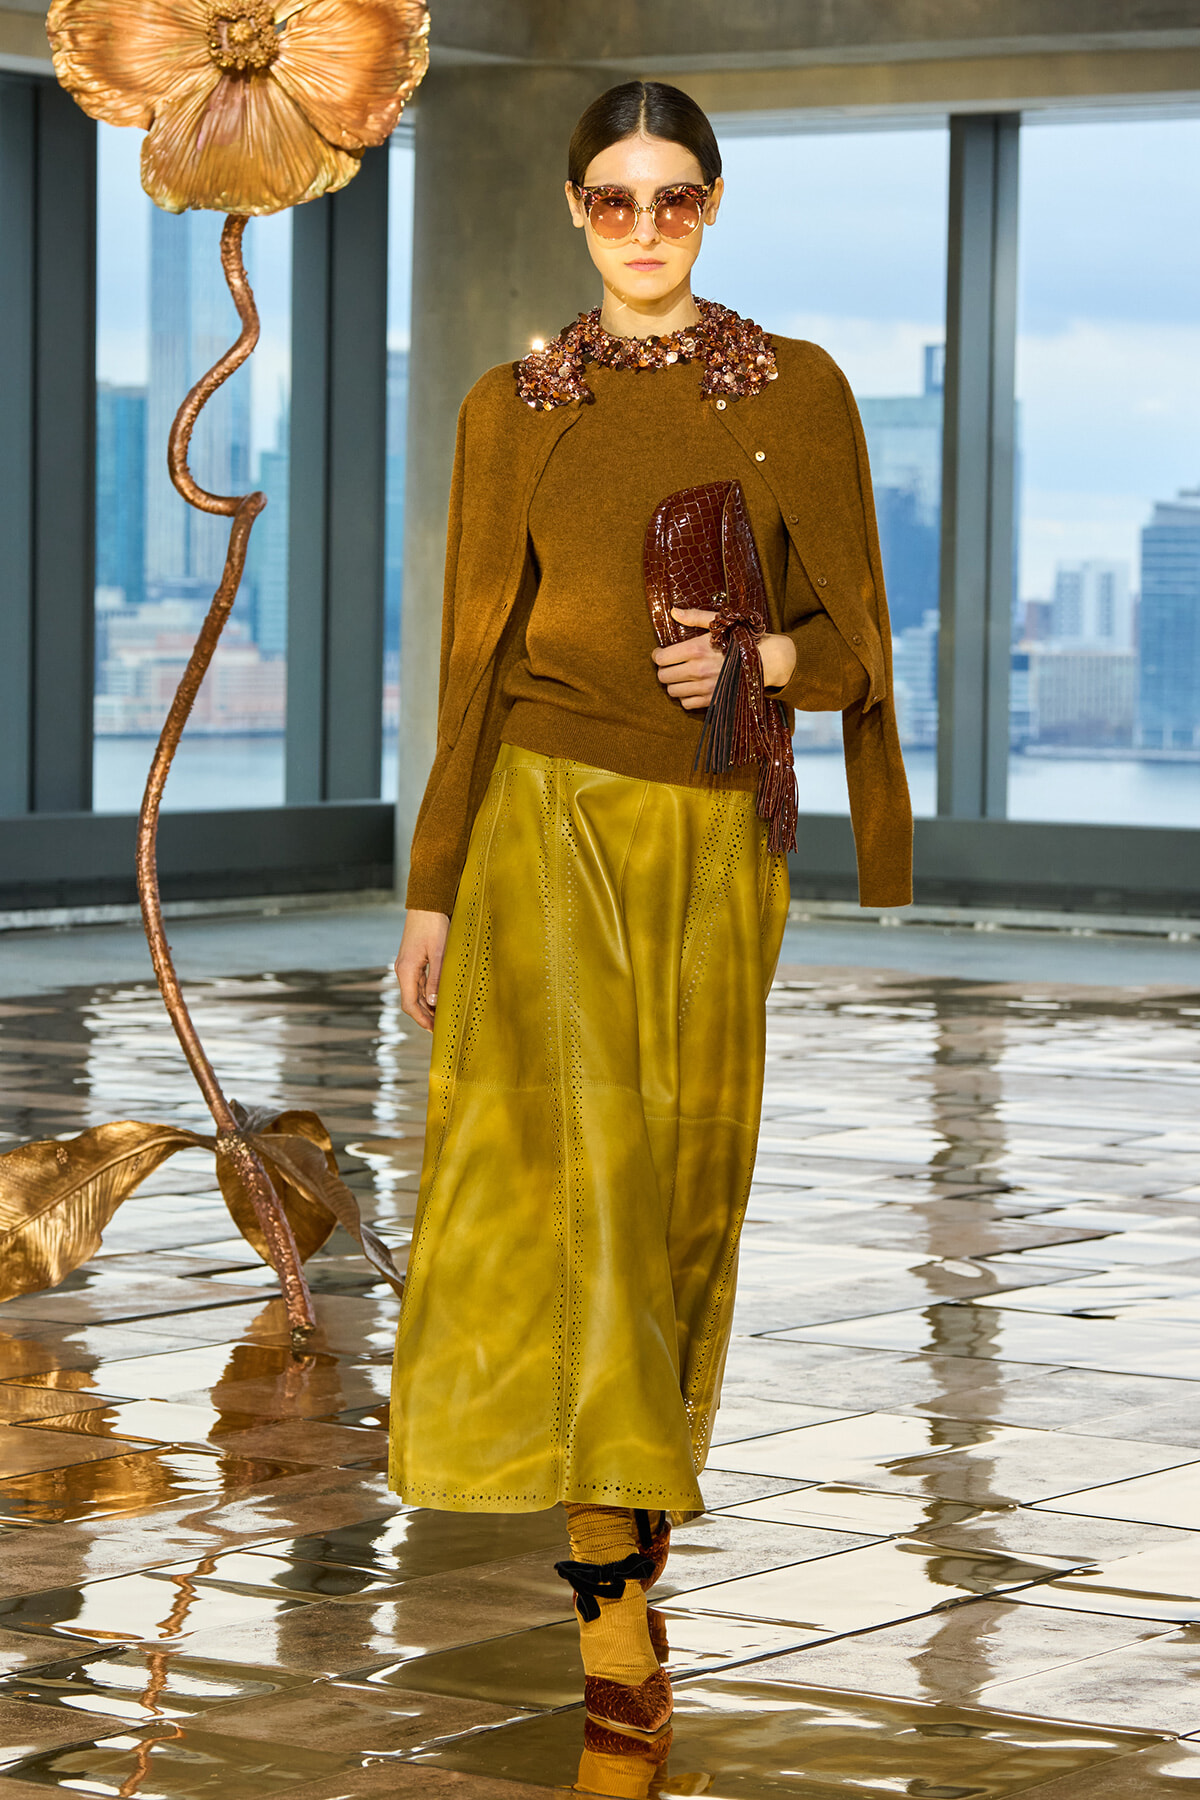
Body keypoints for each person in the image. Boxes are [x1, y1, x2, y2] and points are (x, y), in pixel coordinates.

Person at [390, 79, 912, 1743]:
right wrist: (433, 883)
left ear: (712, 203)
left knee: (683, 1202)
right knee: (580, 1204)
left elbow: (857, 650)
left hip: (714, 850)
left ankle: (633, 1521)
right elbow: (472, 667)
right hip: (544, 829)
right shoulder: (510, 407)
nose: (641, 229)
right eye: (610, 201)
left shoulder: (796, 395)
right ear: (569, 211)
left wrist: (763, 658)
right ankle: (615, 1631)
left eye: (670, 199)